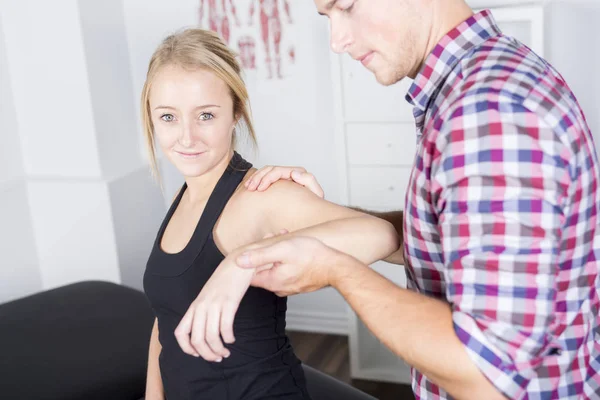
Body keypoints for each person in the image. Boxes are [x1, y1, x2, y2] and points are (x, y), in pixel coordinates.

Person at [181, 0, 600, 399]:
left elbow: (488, 373)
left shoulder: (488, 111)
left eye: (345, 6)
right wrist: (323, 227)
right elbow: (448, 236)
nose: (337, 40)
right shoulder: (492, 75)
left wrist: (335, 269)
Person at [140, 28, 403, 400]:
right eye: (168, 117)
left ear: (235, 114)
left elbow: (382, 235)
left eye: (206, 116)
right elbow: (165, 316)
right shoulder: (185, 195)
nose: (186, 137)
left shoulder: (261, 195)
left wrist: (242, 263)